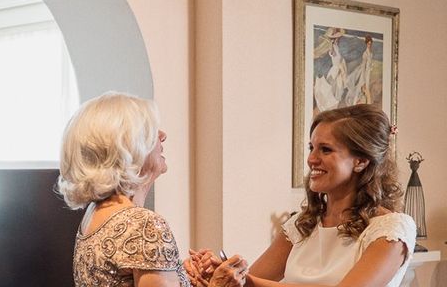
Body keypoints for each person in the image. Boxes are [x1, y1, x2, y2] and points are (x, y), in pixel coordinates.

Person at [185, 104, 416, 287]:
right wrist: (219, 273)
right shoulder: (301, 225)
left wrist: (247, 280)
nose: (311, 159)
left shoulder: (391, 230)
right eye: (311, 148)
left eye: (325, 149)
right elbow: (251, 281)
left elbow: (253, 282)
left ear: (361, 161)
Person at [58, 92, 191, 287]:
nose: (163, 136)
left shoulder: (93, 214)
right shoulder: (144, 225)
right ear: (129, 146)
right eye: (151, 132)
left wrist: (181, 275)